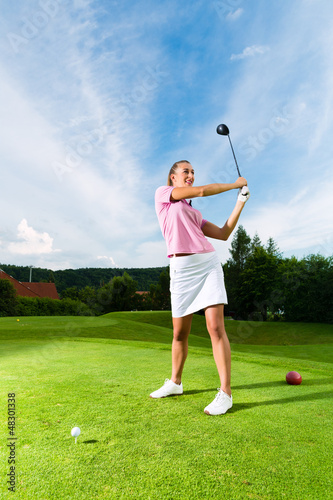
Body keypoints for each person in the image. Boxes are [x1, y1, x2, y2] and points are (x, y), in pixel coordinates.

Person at [150, 160, 250, 415]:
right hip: (180, 271)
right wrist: (234, 184)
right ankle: (175, 382)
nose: (191, 175)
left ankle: (226, 393)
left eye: (193, 172)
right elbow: (203, 191)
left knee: (215, 327)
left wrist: (240, 202)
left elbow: (224, 233)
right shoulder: (163, 195)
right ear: (173, 177)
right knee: (179, 334)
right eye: (186, 171)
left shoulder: (194, 214)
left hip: (207, 266)